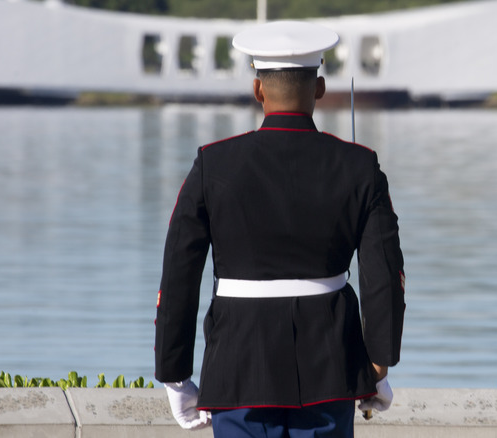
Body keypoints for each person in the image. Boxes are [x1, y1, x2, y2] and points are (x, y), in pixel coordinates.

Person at [154, 20, 406, 437]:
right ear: (319, 89)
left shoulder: (213, 165)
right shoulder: (360, 166)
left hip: (238, 369)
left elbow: (179, 272)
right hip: (331, 370)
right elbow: (384, 273)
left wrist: (175, 375)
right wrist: (378, 363)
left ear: (258, 91)